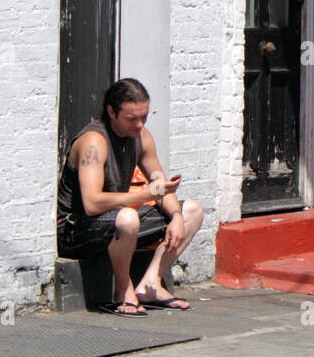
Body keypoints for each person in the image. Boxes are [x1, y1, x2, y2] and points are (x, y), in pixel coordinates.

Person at [57, 78, 205, 316]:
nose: (139, 125)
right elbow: (92, 203)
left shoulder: (141, 136)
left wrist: (176, 216)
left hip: (120, 221)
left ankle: (150, 284)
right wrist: (141, 196)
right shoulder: (94, 142)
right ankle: (123, 290)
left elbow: (159, 184)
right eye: (131, 118)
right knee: (127, 217)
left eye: (144, 117)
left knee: (192, 211)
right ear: (111, 112)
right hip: (77, 228)